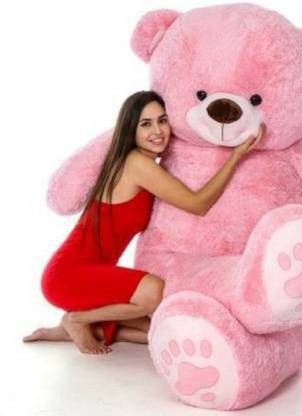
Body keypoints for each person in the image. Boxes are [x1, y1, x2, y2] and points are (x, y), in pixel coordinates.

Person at [23, 91, 266, 355]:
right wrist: (236, 156)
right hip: (68, 276)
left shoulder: (140, 161)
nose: (158, 131)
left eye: (162, 120)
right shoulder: (137, 163)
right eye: (146, 124)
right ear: (131, 130)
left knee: (156, 331)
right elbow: (198, 204)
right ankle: (77, 320)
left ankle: (68, 330)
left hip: (88, 275)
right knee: (154, 292)